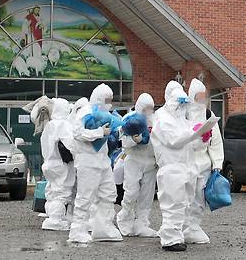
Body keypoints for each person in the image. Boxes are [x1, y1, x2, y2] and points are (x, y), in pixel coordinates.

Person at [67, 84, 122, 243]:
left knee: (109, 193)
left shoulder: (105, 114)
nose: (109, 103)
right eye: (107, 100)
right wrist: (99, 133)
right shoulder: (86, 111)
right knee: (85, 196)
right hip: (88, 160)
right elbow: (77, 133)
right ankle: (77, 230)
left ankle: (103, 227)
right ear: (98, 98)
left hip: (102, 160)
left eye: (111, 100)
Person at [151, 81, 201, 252]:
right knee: (172, 203)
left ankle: (178, 234)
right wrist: (194, 132)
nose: (182, 106)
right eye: (179, 102)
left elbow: (192, 144)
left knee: (184, 203)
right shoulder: (161, 117)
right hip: (171, 167)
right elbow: (174, 140)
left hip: (186, 167)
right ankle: (170, 238)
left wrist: (203, 137)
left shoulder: (182, 119)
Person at [184, 78, 224, 244]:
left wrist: (217, 164)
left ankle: (194, 226)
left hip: (203, 164)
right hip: (186, 162)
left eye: (203, 96)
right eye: (198, 97)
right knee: (185, 196)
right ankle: (180, 226)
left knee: (199, 197)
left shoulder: (209, 115)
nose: (201, 100)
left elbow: (216, 142)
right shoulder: (183, 113)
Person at [117, 93, 159, 237]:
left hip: (151, 163)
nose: (148, 111)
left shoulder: (156, 120)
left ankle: (142, 223)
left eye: (151, 108)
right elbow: (123, 143)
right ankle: (124, 219)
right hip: (134, 161)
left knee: (147, 195)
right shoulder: (128, 119)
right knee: (131, 192)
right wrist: (134, 140)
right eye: (146, 108)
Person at [40, 97, 75, 231]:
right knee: (62, 193)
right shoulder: (63, 125)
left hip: (49, 163)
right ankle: (55, 220)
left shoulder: (49, 125)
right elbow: (70, 144)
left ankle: (52, 215)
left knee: (52, 191)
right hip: (61, 164)